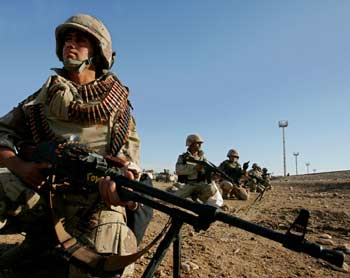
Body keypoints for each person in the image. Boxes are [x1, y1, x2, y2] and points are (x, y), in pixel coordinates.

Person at [0, 14, 152, 277]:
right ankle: (41, 243)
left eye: (81, 40)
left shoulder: (118, 108)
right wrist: (19, 165)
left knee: (104, 263)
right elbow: (2, 131)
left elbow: (128, 163)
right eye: (67, 40)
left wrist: (120, 183)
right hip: (45, 197)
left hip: (94, 204)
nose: (71, 45)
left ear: (99, 51)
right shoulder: (41, 99)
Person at [173, 134, 223, 207]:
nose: (200, 145)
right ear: (190, 143)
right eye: (198, 143)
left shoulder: (202, 158)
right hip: (187, 184)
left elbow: (207, 172)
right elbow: (178, 170)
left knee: (211, 188)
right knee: (174, 199)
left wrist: (214, 176)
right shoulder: (183, 157)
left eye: (200, 143)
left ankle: (197, 198)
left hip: (200, 184)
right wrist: (194, 168)